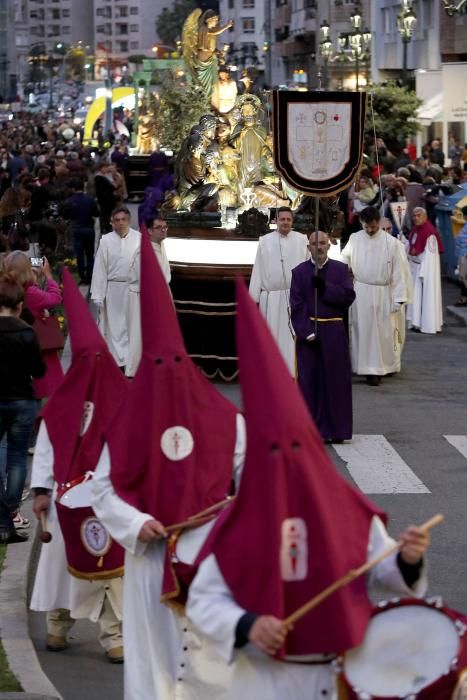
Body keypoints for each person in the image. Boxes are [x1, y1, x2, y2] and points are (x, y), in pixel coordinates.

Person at [186, 280, 429, 700]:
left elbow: (381, 570)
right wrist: (246, 624)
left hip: (334, 674)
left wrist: (407, 559)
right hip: (261, 678)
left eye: (298, 448)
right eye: (276, 451)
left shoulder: (344, 510)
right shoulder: (238, 520)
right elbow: (205, 600)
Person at [91, 231, 245, 700]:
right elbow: (102, 488)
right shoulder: (127, 424)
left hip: (208, 554)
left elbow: (251, 481)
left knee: (205, 655)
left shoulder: (225, 421)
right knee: (152, 657)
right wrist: (137, 523)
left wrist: (232, 512)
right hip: (148, 557)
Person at [30, 269, 126, 662]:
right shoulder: (60, 406)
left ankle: (112, 634)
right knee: (64, 566)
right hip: (66, 500)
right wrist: (40, 492)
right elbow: (48, 447)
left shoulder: (122, 397)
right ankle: (58, 625)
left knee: (108, 571)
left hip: (107, 499)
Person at [290, 231, 355, 443]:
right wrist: (307, 332)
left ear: (329, 246)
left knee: (335, 381)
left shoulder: (340, 269)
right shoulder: (299, 272)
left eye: (323, 243)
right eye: (315, 243)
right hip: (310, 333)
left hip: (333, 331)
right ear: (308, 247)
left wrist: (325, 287)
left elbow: (347, 298)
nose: (319, 247)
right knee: (309, 381)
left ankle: (336, 430)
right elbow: (296, 305)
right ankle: (311, 429)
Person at [0, 271, 45, 544]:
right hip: (22, 400)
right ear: (19, 305)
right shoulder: (27, 333)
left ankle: (3, 519)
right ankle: (9, 513)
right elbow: (39, 370)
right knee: (18, 459)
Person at [341, 207, 407, 386]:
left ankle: (383, 367)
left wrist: (398, 297)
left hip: (383, 292)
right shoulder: (355, 239)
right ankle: (364, 367)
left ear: (379, 222)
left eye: (373, 226)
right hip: (361, 291)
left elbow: (399, 272)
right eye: (366, 227)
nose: (370, 230)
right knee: (362, 330)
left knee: (383, 332)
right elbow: (344, 260)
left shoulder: (392, 243)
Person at [249, 207, 308, 375]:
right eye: (282, 219)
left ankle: (292, 370)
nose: (286, 223)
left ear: (292, 221)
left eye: (289, 220)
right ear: (276, 220)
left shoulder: (302, 240)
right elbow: (258, 267)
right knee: (271, 336)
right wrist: (254, 296)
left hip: (294, 297)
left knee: (292, 337)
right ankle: (272, 371)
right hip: (272, 298)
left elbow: (306, 266)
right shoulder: (265, 240)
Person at [6, 252, 63, 401]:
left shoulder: (8, 291)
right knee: (37, 383)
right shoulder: (31, 293)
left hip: (11, 340)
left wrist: (34, 280)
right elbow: (55, 298)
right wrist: (49, 276)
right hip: (35, 340)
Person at [90, 206, 140, 369]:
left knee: (131, 325)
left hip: (133, 290)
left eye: (123, 220)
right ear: (112, 222)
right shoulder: (106, 241)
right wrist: (98, 295)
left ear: (129, 221)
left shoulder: (139, 239)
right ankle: (118, 361)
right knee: (115, 326)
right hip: (113, 290)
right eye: (116, 220)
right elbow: (100, 269)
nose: (120, 223)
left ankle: (131, 361)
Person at [126, 216, 171, 378]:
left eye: (165, 227)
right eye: (159, 227)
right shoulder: (143, 251)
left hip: (156, 295)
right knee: (138, 334)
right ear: (150, 231)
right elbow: (145, 279)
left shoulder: (160, 245)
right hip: (141, 297)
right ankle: (134, 370)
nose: (164, 230)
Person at [406, 207, 444, 334]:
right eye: (414, 216)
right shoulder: (415, 230)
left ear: (425, 216)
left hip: (425, 270)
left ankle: (427, 324)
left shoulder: (430, 233)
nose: (416, 218)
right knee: (415, 297)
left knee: (426, 295)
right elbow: (411, 246)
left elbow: (430, 257)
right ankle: (415, 322)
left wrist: (423, 272)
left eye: (419, 215)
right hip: (416, 267)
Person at [61, 178, 99, 285]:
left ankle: (82, 276)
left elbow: (65, 215)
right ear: (84, 187)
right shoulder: (90, 200)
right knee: (90, 254)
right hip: (88, 228)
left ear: (73, 189)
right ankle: (89, 277)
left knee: (79, 255)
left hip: (76, 229)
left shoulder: (70, 201)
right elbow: (96, 213)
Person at [94, 161, 117, 233]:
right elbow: (111, 186)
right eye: (104, 167)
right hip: (103, 199)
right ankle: (104, 227)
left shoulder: (108, 176)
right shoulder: (99, 177)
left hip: (110, 199)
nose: (106, 169)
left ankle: (108, 226)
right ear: (101, 168)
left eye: (107, 167)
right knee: (104, 214)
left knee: (109, 213)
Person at [455, 205, 467, 306]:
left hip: (465, 254)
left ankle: (464, 298)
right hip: (462, 253)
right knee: (463, 277)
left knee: (464, 277)